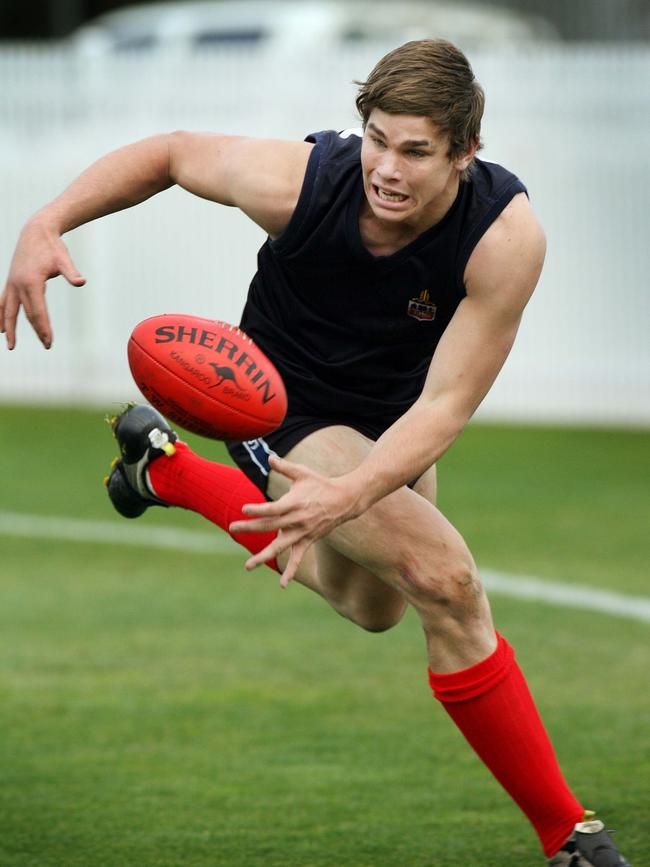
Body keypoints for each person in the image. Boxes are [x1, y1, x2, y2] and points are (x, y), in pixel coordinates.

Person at [1, 39, 631, 866]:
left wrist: (361, 488)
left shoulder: (503, 237)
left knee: (375, 606)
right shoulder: (302, 182)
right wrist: (46, 223)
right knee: (446, 582)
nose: (388, 168)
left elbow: (445, 405)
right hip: (279, 402)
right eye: (377, 138)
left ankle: (166, 470)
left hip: (395, 416)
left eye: (416, 150)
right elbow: (168, 154)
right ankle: (570, 836)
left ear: (465, 153)